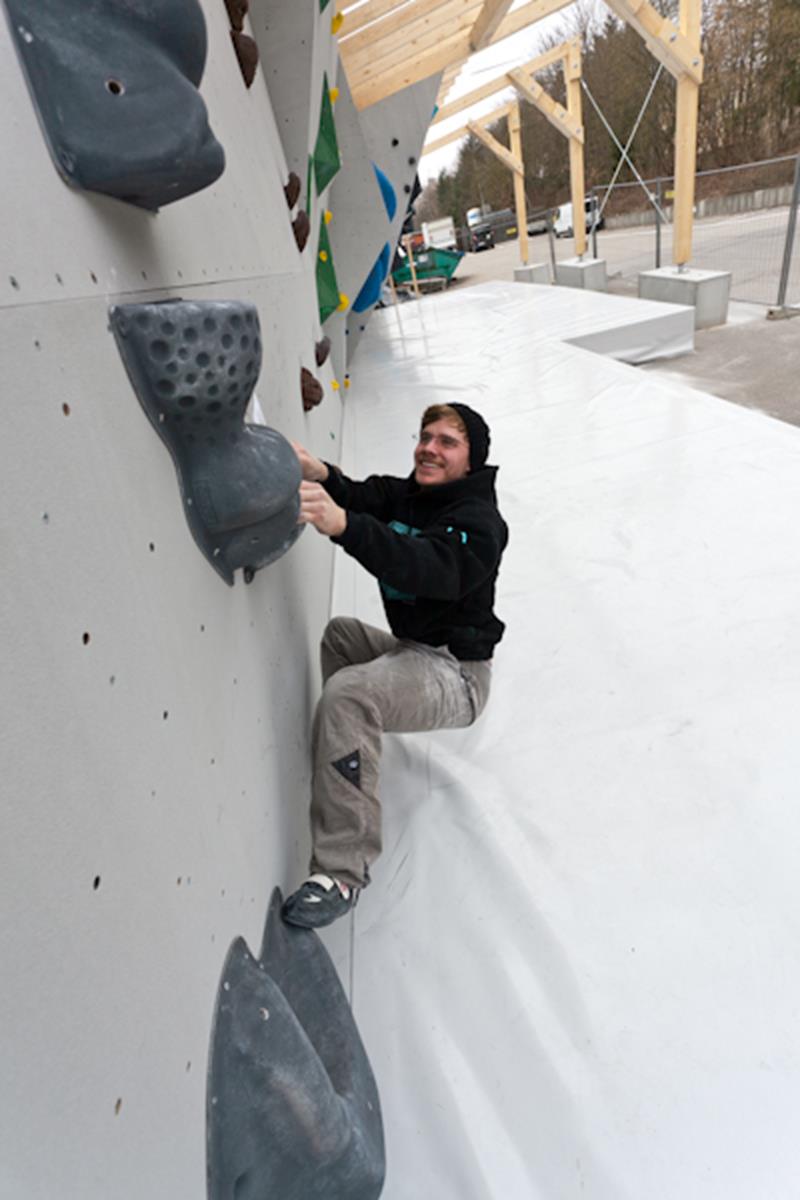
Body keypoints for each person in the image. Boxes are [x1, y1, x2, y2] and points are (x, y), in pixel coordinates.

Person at [282, 403, 508, 928]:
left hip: (457, 676)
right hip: (414, 651)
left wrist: (343, 527)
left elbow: (427, 568)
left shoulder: (480, 523)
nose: (429, 448)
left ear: (472, 460)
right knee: (341, 636)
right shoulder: (412, 493)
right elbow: (363, 495)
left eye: (447, 442)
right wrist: (322, 474)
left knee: (351, 693)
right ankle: (342, 766)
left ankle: (342, 872)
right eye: (426, 437)